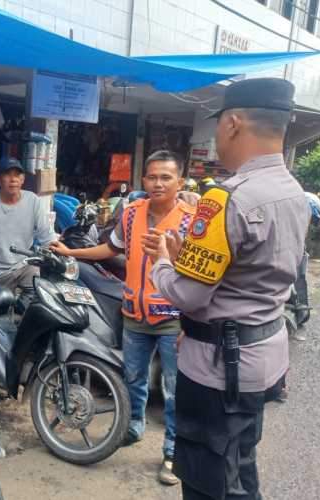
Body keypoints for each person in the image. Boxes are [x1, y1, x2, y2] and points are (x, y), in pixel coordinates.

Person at [141, 78, 310, 499]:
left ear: (233, 123)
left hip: (220, 369)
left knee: (207, 481)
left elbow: (188, 296)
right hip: (261, 356)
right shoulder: (293, 192)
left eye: (218, 125)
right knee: (239, 464)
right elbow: (247, 275)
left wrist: (162, 259)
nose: (216, 135)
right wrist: (188, 261)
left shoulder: (227, 199)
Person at [51, 150, 196, 485]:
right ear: (142, 180)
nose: (158, 183)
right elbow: (111, 249)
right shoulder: (131, 213)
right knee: (133, 378)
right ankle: (133, 427)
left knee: (174, 389)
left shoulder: (191, 220)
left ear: (180, 181)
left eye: (166, 177)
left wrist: (191, 318)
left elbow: (200, 276)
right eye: (152, 177)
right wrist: (71, 252)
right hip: (134, 313)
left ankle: (173, 452)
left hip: (174, 316)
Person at [0, 157, 55, 296]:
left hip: (25, 266)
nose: (13, 179)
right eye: (7, 174)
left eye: (17, 175)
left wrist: (59, 250)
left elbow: (46, 234)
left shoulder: (33, 200)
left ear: (23, 179)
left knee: (42, 300)